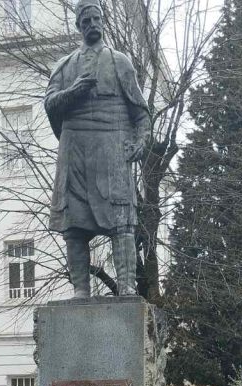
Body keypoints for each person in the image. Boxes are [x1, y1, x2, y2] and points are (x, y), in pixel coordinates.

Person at [44, 0, 149, 297]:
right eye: (86, 21)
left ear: (102, 21)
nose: (92, 25)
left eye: (96, 19)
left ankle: (127, 285)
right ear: (79, 26)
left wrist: (141, 141)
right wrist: (74, 91)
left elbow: (141, 113)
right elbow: (50, 104)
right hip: (75, 152)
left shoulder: (120, 62)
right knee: (73, 226)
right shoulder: (64, 66)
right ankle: (80, 289)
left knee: (121, 223)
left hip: (112, 149)